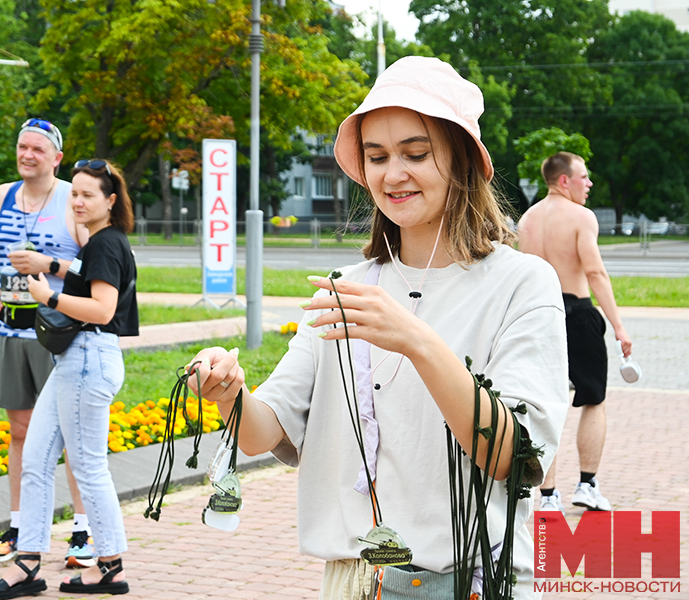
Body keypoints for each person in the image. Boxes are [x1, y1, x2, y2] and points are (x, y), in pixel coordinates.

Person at [186, 57, 569, 599]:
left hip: (468, 578)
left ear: (462, 159)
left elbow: (510, 455)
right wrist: (229, 392)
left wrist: (415, 339)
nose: (393, 174)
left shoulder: (521, 283)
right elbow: (264, 431)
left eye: (416, 153)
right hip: (353, 580)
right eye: (377, 157)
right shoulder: (344, 287)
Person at [0, 159, 138, 599]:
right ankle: (28, 562)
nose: (79, 201)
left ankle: (109, 565)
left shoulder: (106, 243)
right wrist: (53, 264)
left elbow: (103, 310)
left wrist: (46, 294)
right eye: (75, 193)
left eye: (88, 194)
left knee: (88, 467)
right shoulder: (101, 243)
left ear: (110, 200)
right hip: (77, 361)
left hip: (89, 358)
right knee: (35, 459)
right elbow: (85, 275)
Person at [0, 118, 94, 566]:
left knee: (72, 436)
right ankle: (19, 526)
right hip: (11, 332)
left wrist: (49, 264)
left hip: (58, 336)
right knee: (20, 432)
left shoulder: (73, 200)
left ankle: (84, 531)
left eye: (37, 150)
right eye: (22, 147)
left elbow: (97, 268)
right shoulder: (1, 196)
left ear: (57, 158)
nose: (27, 155)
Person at [518, 151, 633, 514]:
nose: (589, 184)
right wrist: (618, 325)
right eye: (584, 177)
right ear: (563, 180)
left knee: (545, 403)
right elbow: (595, 273)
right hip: (579, 314)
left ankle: (548, 495)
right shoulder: (582, 217)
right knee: (593, 399)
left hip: (539, 313)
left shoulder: (527, 219)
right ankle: (587, 485)